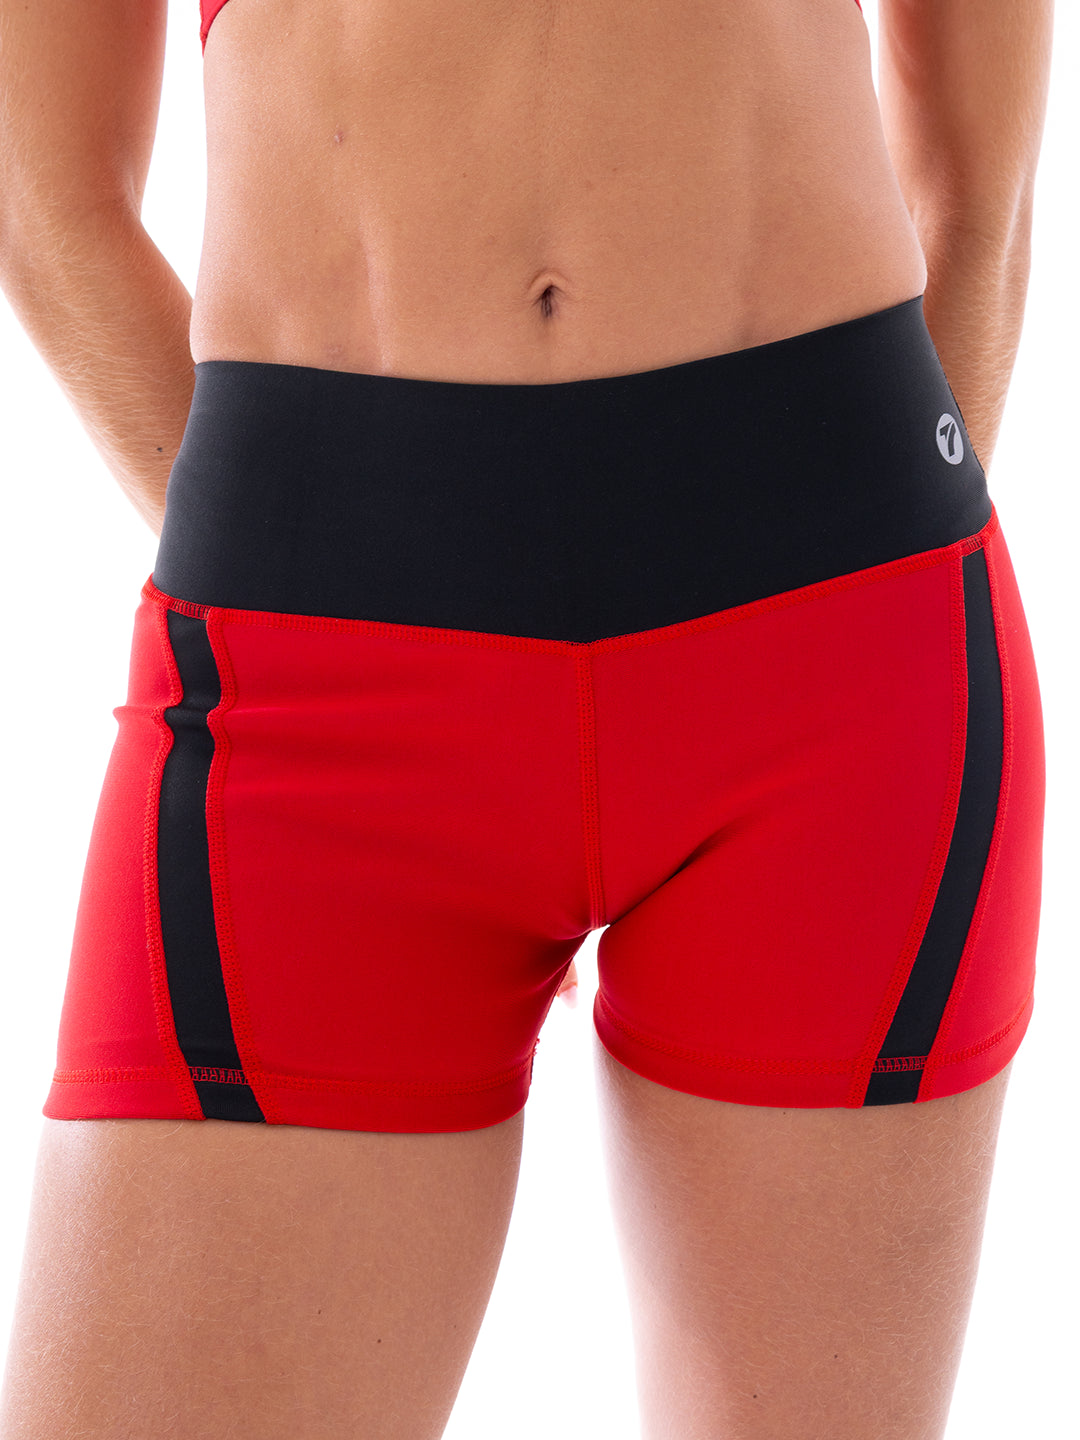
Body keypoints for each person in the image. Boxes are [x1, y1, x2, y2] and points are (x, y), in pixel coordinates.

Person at [0, 0, 1054, 1435]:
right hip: (317, 697)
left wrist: (875, 564)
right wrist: (341, 567)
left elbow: (982, 184)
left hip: (836, 652)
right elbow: (46, 193)